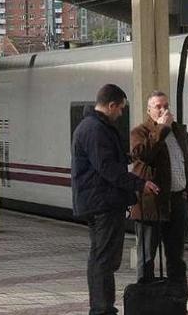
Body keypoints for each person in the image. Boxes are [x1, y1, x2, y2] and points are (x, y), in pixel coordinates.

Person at [71, 84, 160, 315]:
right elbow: (107, 168)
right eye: (120, 108)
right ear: (111, 106)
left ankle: (102, 308)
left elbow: (109, 160)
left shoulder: (96, 127)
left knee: (102, 257)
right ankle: (102, 309)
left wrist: (131, 156)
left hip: (100, 201)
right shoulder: (95, 129)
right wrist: (139, 184)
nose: (121, 113)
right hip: (103, 202)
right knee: (103, 259)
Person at [128, 91, 188, 312]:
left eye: (166, 105)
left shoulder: (180, 132)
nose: (164, 110)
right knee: (147, 257)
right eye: (158, 106)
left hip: (178, 202)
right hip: (152, 206)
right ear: (149, 110)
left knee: (176, 258)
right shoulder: (140, 132)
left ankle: (178, 305)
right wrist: (161, 128)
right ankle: (145, 307)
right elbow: (142, 154)